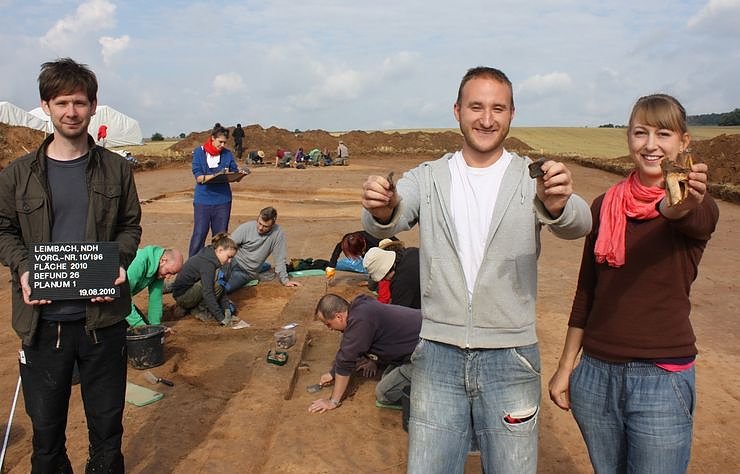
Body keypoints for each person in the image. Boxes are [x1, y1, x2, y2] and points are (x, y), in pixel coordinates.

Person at [360, 66, 592, 473]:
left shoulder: (530, 177)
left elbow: (580, 222)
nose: (486, 119)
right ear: (457, 111)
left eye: (498, 108)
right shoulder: (428, 177)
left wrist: (557, 204)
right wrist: (382, 207)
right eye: (476, 107)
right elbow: (389, 216)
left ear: (512, 114)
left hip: (511, 357)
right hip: (437, 354)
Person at [548, 94, 720, 473]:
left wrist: (677, 202)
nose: (651, 144)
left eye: (664, 134)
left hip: (661, 379)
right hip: (595, 375)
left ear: (684, 142)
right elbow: (587, 291)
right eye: (641, 133)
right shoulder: (604, 205)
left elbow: (680, 211)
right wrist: (566, 367)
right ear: (628, 138)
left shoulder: (699, 205)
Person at [0, 58, 142, 473]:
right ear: (46, 106)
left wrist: (118, 262)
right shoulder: (17, 175)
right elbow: (3, 230)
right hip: (43, 325)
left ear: (93, 106)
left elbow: (130, 226)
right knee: (45, 435)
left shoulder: (117, 169)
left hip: (103, 323)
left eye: (79, 102)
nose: (71, 112)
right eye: (61, 102)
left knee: (107, 431)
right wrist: (24, 268)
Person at [308, 294, 422, 413]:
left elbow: (346, 361)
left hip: (425, 352)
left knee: (384, 393)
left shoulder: (360, 321)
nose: (330, 328)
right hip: (419, 339)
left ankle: (427, 397)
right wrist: (333, 373)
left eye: (328, 324)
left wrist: (333, 401)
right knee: (386, 376)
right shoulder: (360, 307)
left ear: (339, 317)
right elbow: (352, 348)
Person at [188, 124, 246, 257]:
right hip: (203, 200)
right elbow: (199, 177)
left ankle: (219, 264)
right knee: (199, 233)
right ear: (212, 138)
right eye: (220, 142)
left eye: (225, 142)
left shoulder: (227, 154)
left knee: (220, 236)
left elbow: (234, 172)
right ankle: (193, 264)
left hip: (223, 200)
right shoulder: (199, 153)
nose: (222, 145)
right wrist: (216, 175)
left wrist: (240, 174)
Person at [171, 233, 243, 327]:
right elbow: (208, 292)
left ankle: (192, 308)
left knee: (220, 284)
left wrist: (226, 310)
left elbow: (222, 287)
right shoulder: (208, 264)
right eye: (229, 257)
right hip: (183, 297)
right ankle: (200, 310)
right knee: (217, 284)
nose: (229, 261)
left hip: (189, 291)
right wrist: (221, 318)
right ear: (220, 250)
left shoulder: (211, 255)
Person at [223, 207, 301, 293]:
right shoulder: (246, 228)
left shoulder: (277, 233)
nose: (260, 228)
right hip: (230, 262)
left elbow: (280, 258)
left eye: (265, 226)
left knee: (224, 288)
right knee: (213, 279)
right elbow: (226, 245)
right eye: (259, 223)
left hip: (245, 272)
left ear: (272, 225)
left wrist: (285, 280)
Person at [126, 246, 184, 327]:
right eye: (168, 272)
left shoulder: (158, 270)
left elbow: (155, 300)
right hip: (111, 295)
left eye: (172, 274)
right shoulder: (138, 263)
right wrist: (140, 326)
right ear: (163, 261)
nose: (168, 277)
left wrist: (155, 328)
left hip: (118, 298)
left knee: (145, 325)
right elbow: (121, 298)